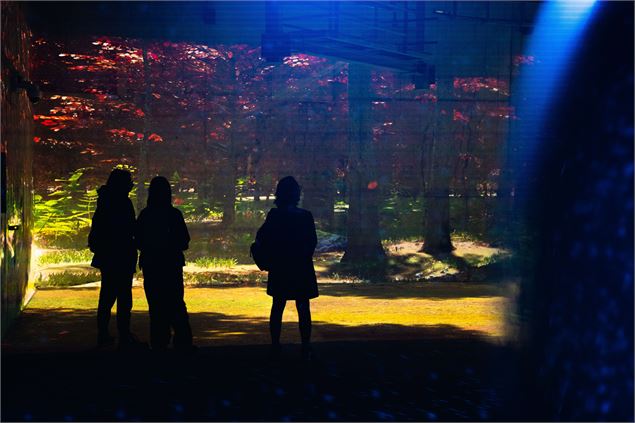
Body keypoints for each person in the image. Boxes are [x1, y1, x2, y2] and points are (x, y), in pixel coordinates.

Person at [255, 176, 318, 360]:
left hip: (280, 266)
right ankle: (305, 346)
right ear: (296, 194)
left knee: (278, 305)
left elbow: (262, 237)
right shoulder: (306, 216)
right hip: (301, 267)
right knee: (303, 307)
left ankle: (275, 345)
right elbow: (311, 242)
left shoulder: (274, 215)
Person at [136, 176, 194, 352]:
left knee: (156, 305)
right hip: (171, 264)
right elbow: (184, 241)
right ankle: (183, 341)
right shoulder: (174, 215)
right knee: (176, 303)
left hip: (152, 265)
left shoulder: (146, 215)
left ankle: (159, 342)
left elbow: (138, 241)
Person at [88, 168, 138, 348]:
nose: (131, 184)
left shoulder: (105, 202)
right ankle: (123, 334)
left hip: (108, 256)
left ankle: (104, 334)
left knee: (107, 296)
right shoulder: (123, 202)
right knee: (124, 297)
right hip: (122, 255)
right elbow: (131, 228)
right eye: (129, 181)